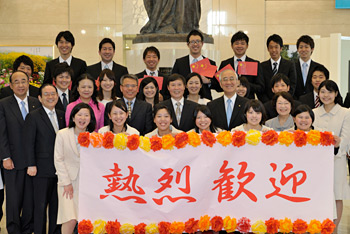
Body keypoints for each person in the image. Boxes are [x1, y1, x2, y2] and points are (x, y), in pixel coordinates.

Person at [0, 71, 41, 234]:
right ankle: (13, 230)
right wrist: (5, 157)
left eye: (23, 81)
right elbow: (1, 133)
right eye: (16, 82)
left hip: (33, 162)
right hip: (12, 161)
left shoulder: (35, 103)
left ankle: (27, 230)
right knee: (13, 201)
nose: (20, 85)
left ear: (29, 82)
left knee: (30, 200)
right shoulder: (3, 104)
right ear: (11, 85)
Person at [24, 84, 65, 234]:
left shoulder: (62, 114)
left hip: (59, 170)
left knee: (56, 206)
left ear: (57, 96)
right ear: (40, 98)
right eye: (46, 94)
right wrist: (31, 164)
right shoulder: (33, 116)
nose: (50, 97)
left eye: (53, 94)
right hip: (40, 169)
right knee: (40, 206)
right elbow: (28, 143)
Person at [313, 80, 350, 232]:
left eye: (329, 92)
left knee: (337, 194)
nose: (326, 95)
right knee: (318, 193)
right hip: (317, 163)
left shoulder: (346, 112)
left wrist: (339, 143)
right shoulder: (313, 113)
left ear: (336, 94)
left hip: (337, 161)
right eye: (322, 92)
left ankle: (333, 228)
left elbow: (346, 137)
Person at [54, 103, 96, 234]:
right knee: (69, 219)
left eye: (86, 115)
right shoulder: (62, 134)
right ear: (73, 117)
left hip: (86, 184)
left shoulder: (94, 138)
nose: (82, 118)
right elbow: (58, 159)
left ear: (90, 119)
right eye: (79, 115)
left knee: (85, 220)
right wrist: (66, 183)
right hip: (67, 183)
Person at [172, 30, 221, 100]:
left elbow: (218, 86)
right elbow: (173, 81)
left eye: (198, 41)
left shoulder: (210, 63)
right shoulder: (180, 62)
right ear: (187, 44)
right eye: (192, 42)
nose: (195, 44)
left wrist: (208, 81)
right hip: (184, 100)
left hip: (205, 100)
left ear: (202, 43)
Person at [219, 31, 264, 99]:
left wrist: (244, 84)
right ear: (232, 46)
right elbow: (218, 86)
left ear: (247, 46)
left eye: (242, 43)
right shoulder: (225, 64)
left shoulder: (255, 64)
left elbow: (260, 88)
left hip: (248, 102)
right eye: (236, 43)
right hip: (229, 100)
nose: (239, 46)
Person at [260, 34, 297, 102]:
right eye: (271, 47)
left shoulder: (290, 65)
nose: (274, 50)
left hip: (285, 102)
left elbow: (292, 85)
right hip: (267, 104)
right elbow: (261, 88)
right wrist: (268, 103)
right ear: (268, 49)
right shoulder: (262, 66)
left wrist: (284, 100)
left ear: (281, 48)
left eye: (276, 47)